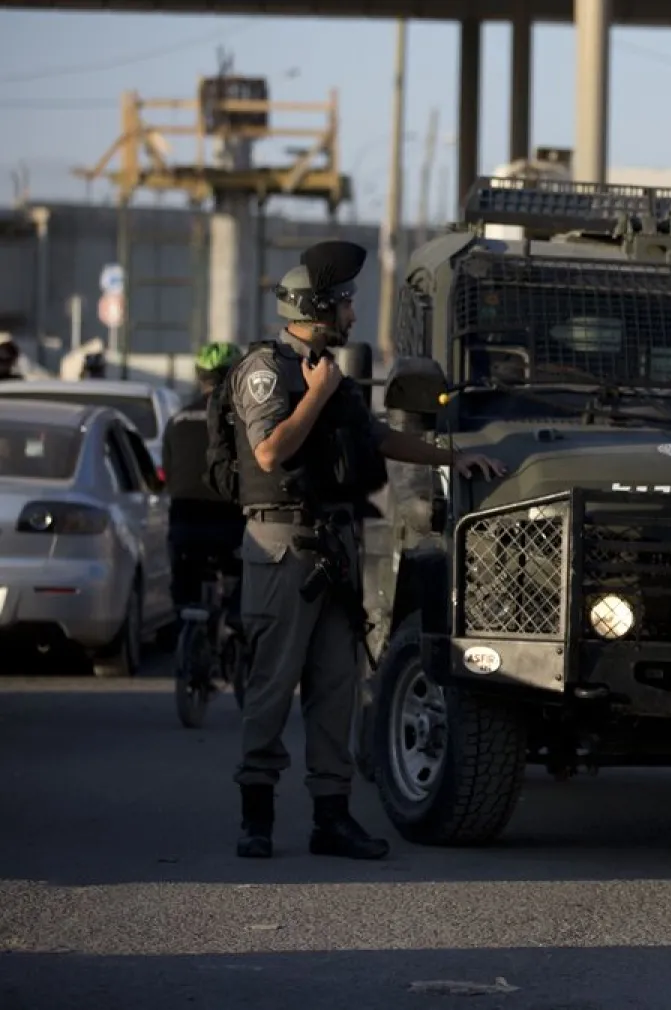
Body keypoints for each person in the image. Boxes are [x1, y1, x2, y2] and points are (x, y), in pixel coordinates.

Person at [230, 239, 507, 860]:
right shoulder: (268, 370)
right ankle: (257, 817)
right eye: (346, 303)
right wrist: (317, 394)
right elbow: (271, 450)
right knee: (273, 686)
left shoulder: (326, 371)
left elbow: (377, 437)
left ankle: (332, 818)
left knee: (336, 687)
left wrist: (454, 456)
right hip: (282, 544)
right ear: (318, 307)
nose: (353, 315)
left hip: (334, 544)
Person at [162, 342, 249, 618]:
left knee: (184, 586)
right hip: (230, 526)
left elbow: (168, 472)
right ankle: (236, 631)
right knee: (252, 580)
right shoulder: (243, 421)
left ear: (200, 378)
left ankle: (183, 626)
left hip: (184, 525)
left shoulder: (177, 420)